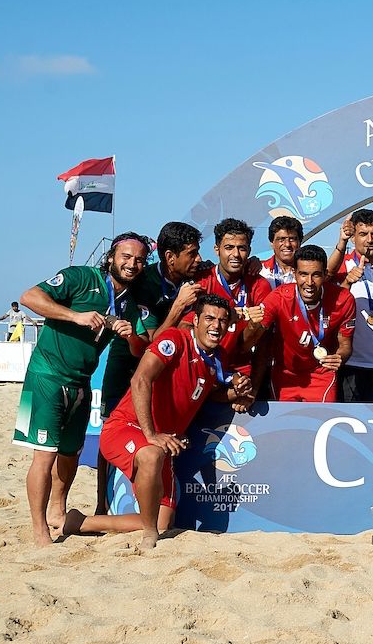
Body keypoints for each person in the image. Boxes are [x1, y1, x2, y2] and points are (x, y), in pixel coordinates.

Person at [60, 294, 251, 549]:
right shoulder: (174, 340)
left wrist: (237, 393)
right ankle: (150, 538)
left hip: (162, 440)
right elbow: (140, 380)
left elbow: (211, 395)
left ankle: (82, 523)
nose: (215, 325)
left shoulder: (215, 358)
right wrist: (151, 434)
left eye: (222, 320)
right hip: (127, 426)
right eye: (209, 318)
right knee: (151, 456)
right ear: (194, 320)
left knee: (163, 522)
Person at [14, 233, 150, 546]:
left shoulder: (129, 301)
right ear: (112, 257)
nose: (132, 264)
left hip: (82, 382)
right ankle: (39, 532)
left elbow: (138, 349)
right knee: (44, 458)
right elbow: (29, 297)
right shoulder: (80, 277)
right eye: (126, 257)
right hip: (46, 376)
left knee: (70, 455)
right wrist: (76, 315)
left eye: (139, 259)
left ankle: (57, 514)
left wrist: (131, 336)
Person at [95, 221, 202, 516]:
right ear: (170, 257)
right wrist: (179, 307)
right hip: (128, 363)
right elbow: (150, 343)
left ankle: (153, 505)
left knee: (159, 434)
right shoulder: (145, 284)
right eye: (192, 254)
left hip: (163, 369)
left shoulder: (192, 277)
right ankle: (101, 505)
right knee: (111, 429)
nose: (198, 260)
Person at [245, 245, 356, 402]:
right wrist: (252, 325)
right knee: (285, 425)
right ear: (294, 273)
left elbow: (345, 346)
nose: (309, 282)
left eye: (316, 275)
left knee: (319, 424)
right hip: (285, 375)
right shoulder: (279, 297)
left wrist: (339, 357)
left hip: (321, 374)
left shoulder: (344, 299)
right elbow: (249, 343)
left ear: (325, 275)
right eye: (303, 274)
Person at [179, 219, 269, 410]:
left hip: (240, 377)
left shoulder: (260, 285)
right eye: (229, 247)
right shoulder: (201, 281)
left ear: (249, 251)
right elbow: (183, 331)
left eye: (242, 248)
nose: (235, 254)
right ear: (216, 249)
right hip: (202, 371)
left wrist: (252, 389)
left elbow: (261, 347)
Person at [331, 209, 373, 403]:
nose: (370, 240)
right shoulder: (341, 268)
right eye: (363, 234)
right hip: (349, 363)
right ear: (353, 238)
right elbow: (331, 306)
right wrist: (347, 283)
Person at [263, 215, 303, 288]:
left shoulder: (308, 273)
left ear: (299, 242)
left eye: (292, 239)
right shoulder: (260, 271)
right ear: (272, 243)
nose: (287, 244)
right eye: (281, 239)